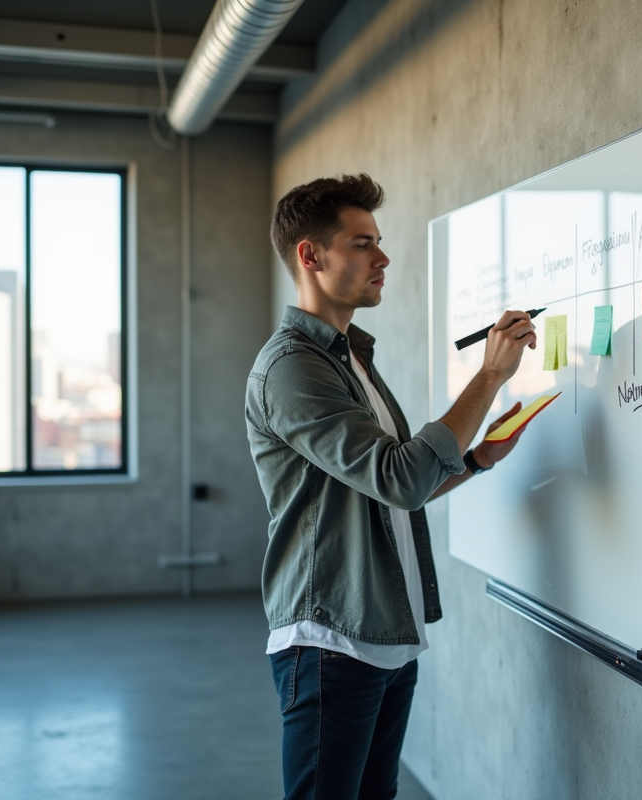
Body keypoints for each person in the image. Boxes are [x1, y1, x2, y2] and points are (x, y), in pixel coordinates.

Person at [246, 173, 537, 800]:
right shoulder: (293, 367)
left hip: (384, 634)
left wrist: (478, 458)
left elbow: (392, 487)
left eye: (378, 241)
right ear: (310, 255)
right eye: (361, 243)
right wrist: (488, 378)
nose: (382, 258)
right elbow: (400, 478)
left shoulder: (350, 358)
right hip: (331, 642)